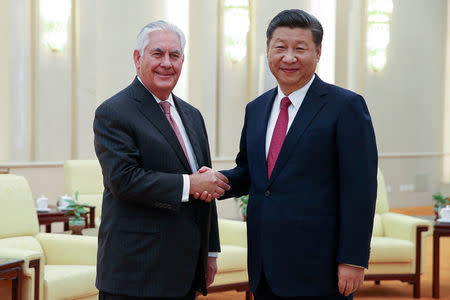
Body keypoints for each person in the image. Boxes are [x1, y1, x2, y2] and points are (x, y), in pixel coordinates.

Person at [197, 9, 378, 300]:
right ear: (268, 50)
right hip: (264, 265)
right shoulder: (256, 108)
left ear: (318, 52)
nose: (289, 57)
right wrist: (217, 180)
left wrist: (353, 259)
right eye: (280, 47)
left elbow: (361, 189)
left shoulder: (345, 106)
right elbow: (251, 172)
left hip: (321, 268)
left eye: (300, 48)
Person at [93, 20, 230, 300]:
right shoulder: (114, 112)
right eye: (157, 54)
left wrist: (210, 251)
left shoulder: (192, 115)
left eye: (175, 55)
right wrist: (189, 184)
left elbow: (205, 185)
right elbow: (124, 180)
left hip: (184, 270)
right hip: (135, 273)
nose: (166, 63)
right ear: (138, 58)